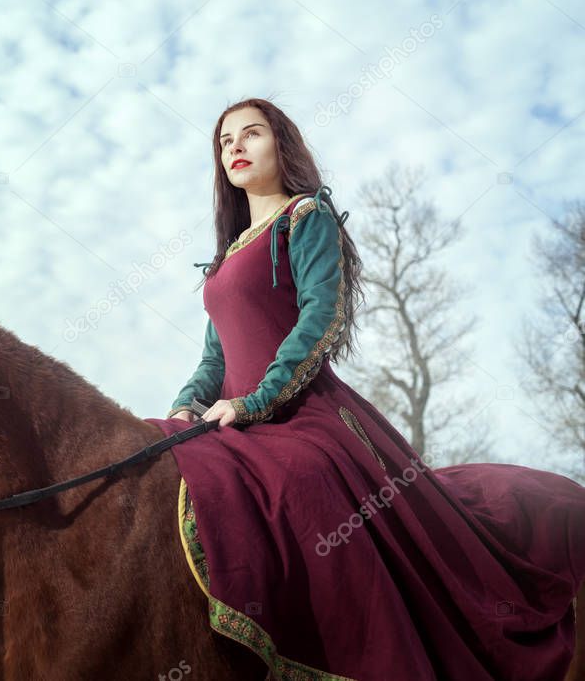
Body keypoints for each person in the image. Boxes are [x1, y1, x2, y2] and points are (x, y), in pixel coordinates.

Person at [144, 98, 585, 680]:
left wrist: (256, 401)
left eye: (251, 134)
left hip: (305, 414)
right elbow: (214, 354)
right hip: (233, 417)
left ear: (282, 144)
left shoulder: (305, 217)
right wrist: (187, 402)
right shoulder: (225, 259)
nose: (236, 148)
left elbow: (318, 318)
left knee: (305, 485)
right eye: (225, 142)